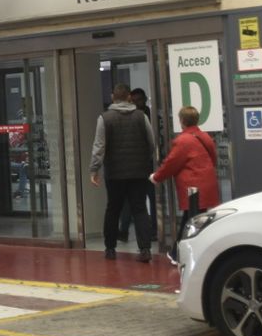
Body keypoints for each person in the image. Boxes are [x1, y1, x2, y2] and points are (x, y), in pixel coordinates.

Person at [89, 84, 158, 262]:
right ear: (129, 97)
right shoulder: (141, 116)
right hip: (139, 171)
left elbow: (99, 146)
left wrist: (94, 169)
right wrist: (145, 159)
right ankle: (145, 250)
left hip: (115, 173)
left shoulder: (105, 118)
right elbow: (151, 142)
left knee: (113, 209)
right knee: (140, 209)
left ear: (113, 97)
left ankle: (110, 248)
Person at [151, 105, 219, 264]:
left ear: (181, 121)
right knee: (195, 219)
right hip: (207, 184)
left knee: (190, 221)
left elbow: (171, 163)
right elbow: (213, 159)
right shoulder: (205, 137)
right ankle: (179, 253)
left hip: (192, 188)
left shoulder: (182, 141)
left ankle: (178, 254)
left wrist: (156, 177)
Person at [118, 88, 159, 244]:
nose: (136, 103)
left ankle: (153, 231)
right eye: (133, 101)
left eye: (138, 100)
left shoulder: (147, 117)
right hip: (137, 166)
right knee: (131, 200)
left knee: (151, 199)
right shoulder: (136, 117)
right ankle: (124, 230)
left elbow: (151, 142)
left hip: (147, 166)